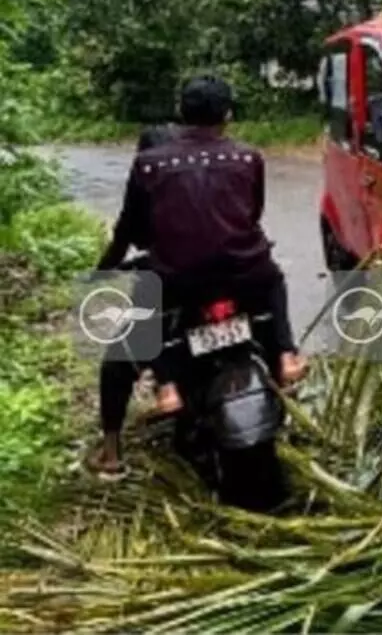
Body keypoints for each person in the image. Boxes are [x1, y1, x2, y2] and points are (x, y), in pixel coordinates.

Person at [110, 76, 305, 417]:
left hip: (178, 278)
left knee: (148, 297)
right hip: (245, 272)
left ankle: (167, 386)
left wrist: (104, 267)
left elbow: (129, 228)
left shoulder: (150, 163)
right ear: (228, 115)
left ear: (180, 113)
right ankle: (286, 354)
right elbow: (252, 211)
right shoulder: (248, 157)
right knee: (273, 279)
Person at [86, 123, 177, 480]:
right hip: (225, 279)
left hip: (165, 286)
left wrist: (100, 274)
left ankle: (111, 452)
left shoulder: (144, 185)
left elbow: (123, 238)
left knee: (117, 363)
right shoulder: (206, 177)